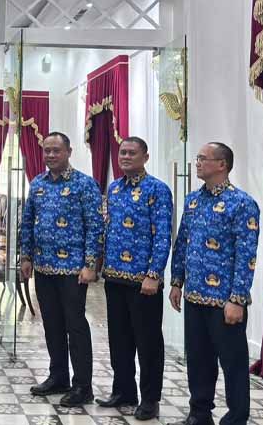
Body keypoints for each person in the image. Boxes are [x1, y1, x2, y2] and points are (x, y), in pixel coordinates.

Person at [168, 142, 259, 425]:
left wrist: (238, 299)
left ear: (222, 164)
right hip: (195, 296)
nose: (197, 163)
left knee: (233, 363)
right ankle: (199, 413)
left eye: (203, 158)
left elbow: (246, 255)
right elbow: (182, 242)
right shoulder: (193, 200)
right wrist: (177, 281)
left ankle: (236, 418)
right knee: (198, 360)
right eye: (197, 158)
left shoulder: (242, 203)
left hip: (225, 300)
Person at [20, 131, 104, 407]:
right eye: (47, 150)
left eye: (56, 150)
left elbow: (95, 227)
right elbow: (27, 222)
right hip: (44, 267)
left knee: (75, 326)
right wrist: (26, 256)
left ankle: (83, 386)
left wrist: (90, 265)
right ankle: (58, 376)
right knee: (52, 325)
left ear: (69, 152)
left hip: (72, 270)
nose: (51, 155)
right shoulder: (37, 183)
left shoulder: (84, 184)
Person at [99, 137, 172, 421]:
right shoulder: (115, 188)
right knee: (119, 339)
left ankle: (150, 399)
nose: (126, 157)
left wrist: (154, 274)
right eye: (122, 152)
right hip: (114, 276)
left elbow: (163, 235)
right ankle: (123, 391)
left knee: (148, 342)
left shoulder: (157, 189)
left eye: (132, 153)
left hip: (144, 281)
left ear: (145, 157)